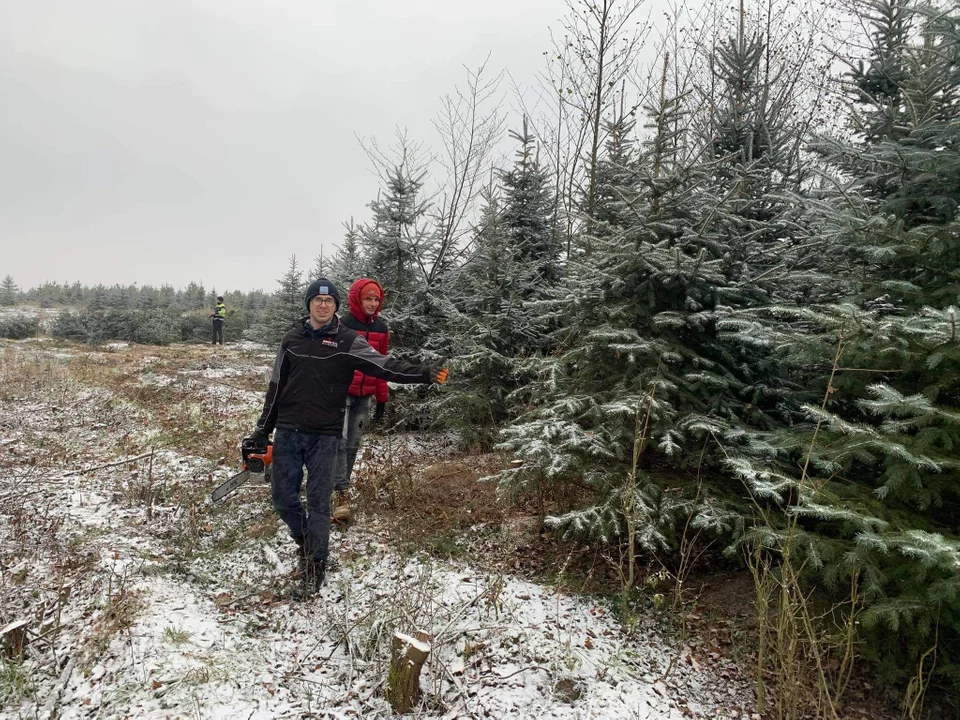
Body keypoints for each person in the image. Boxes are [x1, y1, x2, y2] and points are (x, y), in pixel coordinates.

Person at [248, 278, 447, 598]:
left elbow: (385, 366)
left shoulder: (347, 340)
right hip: (287, 432)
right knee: (283, 500)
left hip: (325, 436)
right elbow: (276, 387)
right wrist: (262, 429)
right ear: (309, 304)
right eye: (317, 300)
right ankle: (306, 542)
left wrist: (425, 373)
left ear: (337, 306)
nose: (323, 305)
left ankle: (315, 567)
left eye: (329, 301)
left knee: (318, 504)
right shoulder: (291, 340)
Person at [333, 278, 389, 501]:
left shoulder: (381, 329)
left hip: (365, 397)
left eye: (376, 299)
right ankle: (339, 491)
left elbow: (382, 365)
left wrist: (382, 399)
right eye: (368, 298)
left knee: (353, 445)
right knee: (339, 442)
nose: (372, 303)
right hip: (342, 394)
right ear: (358, 299)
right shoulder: (343, 324)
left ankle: (341, 486)